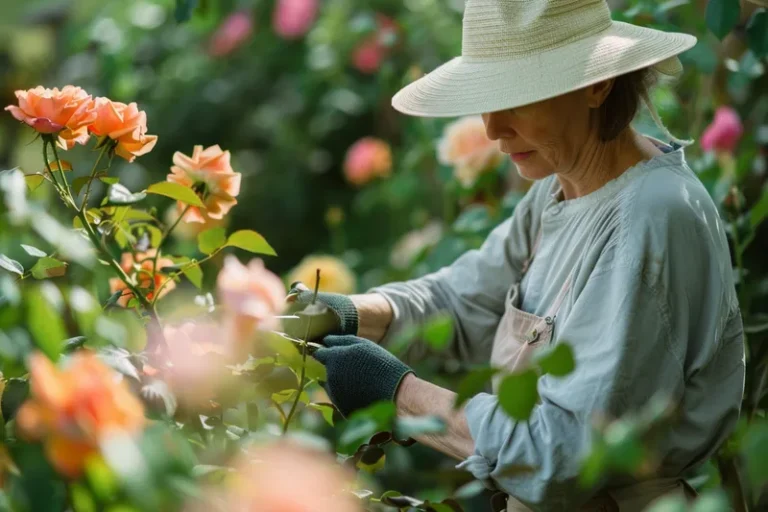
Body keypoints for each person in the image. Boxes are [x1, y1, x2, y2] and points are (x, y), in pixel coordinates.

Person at [285, 1, 746, 510]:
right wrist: (347, 314)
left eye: (516, 97)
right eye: (486, 98)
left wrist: (398, 393)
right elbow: (465, 301)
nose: (492, 128)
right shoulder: (560, 188)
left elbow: (560, 453)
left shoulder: (650, 220)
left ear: (596, 85)